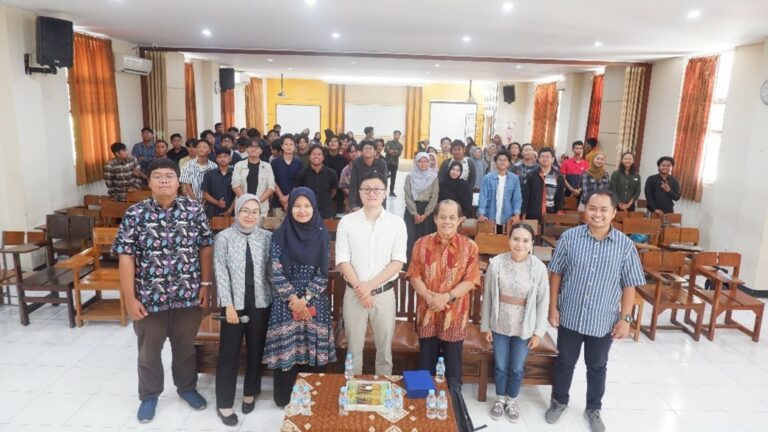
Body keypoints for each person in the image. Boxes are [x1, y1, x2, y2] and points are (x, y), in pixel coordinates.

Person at [113, 158, 214, 423]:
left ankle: (187, 388)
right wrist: (129, 299)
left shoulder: (194, 210)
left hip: (187, 296)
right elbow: (126, 256)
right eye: (157, 176)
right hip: (149, 299)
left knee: (185, 348)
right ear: (149, 182)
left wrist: (205, 284)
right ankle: (149, 396)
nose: (164, 181)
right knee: (148, 352)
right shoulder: (135, 214)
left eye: (169, 176)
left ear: (178, 181)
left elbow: (206, 246)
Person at [545, 191, 646, 432]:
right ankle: (559, 401)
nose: (597, 214)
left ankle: (593, 409)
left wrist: (625, 319)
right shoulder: (569, 238)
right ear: (585, 210)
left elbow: (629, 285)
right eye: (592, 208)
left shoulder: (625, 246)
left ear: (613, 213)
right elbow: (556, 273)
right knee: (564, 362)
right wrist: (552, 307)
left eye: (603, 209)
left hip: (602, 320)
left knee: (597, 366)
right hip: (570, 315)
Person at [263, 187, 337, 406]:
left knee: (311, 347)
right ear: (290, 208)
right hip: (286, 303)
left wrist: (305, 299)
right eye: (297, 206)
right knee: (289, 349)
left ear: (314, 208)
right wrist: (293, 300)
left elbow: (323, 273)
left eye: (307, 206)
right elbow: (276, 271)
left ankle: (313, 397)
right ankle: (285, 398)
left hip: (315, 301)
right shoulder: (280, 235)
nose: (302, 210)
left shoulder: (322, 234)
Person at [336, 173, 407, 375]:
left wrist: (369, 286)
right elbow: (343, 260)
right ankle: (351, 389)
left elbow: (398, 261)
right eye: (366, 189)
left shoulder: (397, 223)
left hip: (383, 295)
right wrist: (361, 289)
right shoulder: (347, 222)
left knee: (384, 351)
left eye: (377, 189)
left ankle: (384, 388)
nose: (372, 193)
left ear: (385, 193)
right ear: (359, 193)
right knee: (353, 351)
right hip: (354, 294)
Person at [408, 199, 481, 390]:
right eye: (442, 217)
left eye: (451, 217)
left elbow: (471, 280)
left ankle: (454, 402)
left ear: (459, 220)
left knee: (453, 371)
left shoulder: (470, 247)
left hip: (455, 316)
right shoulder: (421, 244)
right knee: (426, 368)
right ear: (435, 219)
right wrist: (431, 299)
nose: (447, 221)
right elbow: (414, 276)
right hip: (428, 313)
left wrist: (446, 298)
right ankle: (425, 402)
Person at [213, 194, 272, 426]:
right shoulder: (224, 237)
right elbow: (221, 271)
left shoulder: (267, 237)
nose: (249, 216)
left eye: (254, 212)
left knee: (256, 349)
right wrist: (228, 304)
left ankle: (250, 392)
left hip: (260, 301)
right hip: (233, 303)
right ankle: (224, 403)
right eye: (245, 211)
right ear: (237, 211)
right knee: (229, 352)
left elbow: (271, 272)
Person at [481, 223, 549, 423]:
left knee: (516, 368)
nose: (520, 244)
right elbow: (488, 297)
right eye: (516, 239)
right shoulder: (496, 263)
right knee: (501, 366)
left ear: (532, 243)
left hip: (524, 327)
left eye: (525, 240)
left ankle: (511, 400)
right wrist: (486, 326)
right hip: (499, 324)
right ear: (509, 240)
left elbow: (543, 302)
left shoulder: (538, 268)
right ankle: (499, 399)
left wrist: (538, 332)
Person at [403, 153, 439, 267]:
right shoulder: (410, 177)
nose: (423, 164)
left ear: (429, 163)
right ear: (416, 162)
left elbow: (434, 197)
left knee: (426, 239)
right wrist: (414, 213)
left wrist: (426, 213)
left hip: (427, 211)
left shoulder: (433, 177)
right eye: (420, 161)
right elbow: (408, 195)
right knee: (411, 238)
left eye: (425, 161)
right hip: (412, 210)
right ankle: (409, 265)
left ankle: (425, 265)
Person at [477, 151, 522, 233]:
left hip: (508, 216)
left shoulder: (514, 179)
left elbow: (517, 198)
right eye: (500, 160)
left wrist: (516, 214)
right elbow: (483, 197)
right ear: (496, 162)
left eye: (505, 160)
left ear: (509, 163)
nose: (502, 162)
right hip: (490, 215)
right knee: (490, 238)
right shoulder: (487, 178)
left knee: (505, 238)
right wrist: (481, 214)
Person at [231, 137, 276, 216]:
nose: (253, 149)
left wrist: (257, 201)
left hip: (261, 206)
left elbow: (271, 187)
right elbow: (235, 185)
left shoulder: (267, 166)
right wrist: (246, 201)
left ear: (261, 151)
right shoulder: (239, 165)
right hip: (242, 205)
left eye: (257, 147)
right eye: (250, 147)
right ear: (247, 150)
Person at [521, 147, 565, 222]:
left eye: (547, 157)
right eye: (542, 157)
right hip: (533, 213)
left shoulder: (558, 177)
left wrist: (559, 213)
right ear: (538, 159)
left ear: (553, 159)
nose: (545, 159)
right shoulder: (531, 175)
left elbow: (560, 197)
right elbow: (525, 195)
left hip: (551, 213)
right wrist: (523, 212)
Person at [295, 145, 339, 219]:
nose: (316, 157)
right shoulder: (302, 173)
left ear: (323, 157)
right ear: (309, 157)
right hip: (307, 212)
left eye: (319, 154)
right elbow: (299, 191)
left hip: (326, 211)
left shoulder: (331, 173)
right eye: (313, 154)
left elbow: (333, 191)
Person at [348, 140, 387, 211]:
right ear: (361, 152)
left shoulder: (381, 164)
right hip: (360, 199)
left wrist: (383, 206)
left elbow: (383, 185)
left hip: (375, 198)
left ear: (375, 152)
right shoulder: (357, 163)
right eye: (365, 148)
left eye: (370, 148)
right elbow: (353, 184)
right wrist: (353, 205)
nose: (367, 150)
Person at [270, 135, 304, 219]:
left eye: (291, 144)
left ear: (294, 146)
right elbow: (273, 181)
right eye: (286, 144)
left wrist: (288, 197)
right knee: (278, 225)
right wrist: (282, 198)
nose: (289, 147)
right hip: (278, 201)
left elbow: (299, 183)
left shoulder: (299, 163)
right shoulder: (275, 163)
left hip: (295, 200)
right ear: (282, 146)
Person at [201, 148, 235, 218]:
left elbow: (238, 194)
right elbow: (205, 194)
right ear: (216, 159)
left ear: (230, 159)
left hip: (233, 211)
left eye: (225, 156)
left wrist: (230, 210)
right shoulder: (209, 174)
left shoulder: (236, 174)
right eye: (219, 157)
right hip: (213, 211)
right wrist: (217, 203)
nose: (222, 159)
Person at [323, 135, 347, 214]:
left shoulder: (343, 159)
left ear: (339, 145)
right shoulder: (323, 159)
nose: (333, 143)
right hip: (326, 190)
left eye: (335, 141)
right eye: (331, 141)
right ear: (327, 144)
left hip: (340, 191)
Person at [337, 144, 358, 212]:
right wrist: (353, 195)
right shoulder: (346, 170)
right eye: (351, 152)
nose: (354, 154)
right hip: (351, 201)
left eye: (356, 151)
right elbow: (343, 186)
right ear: (348, 154)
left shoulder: (366, 167)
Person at [384, 130, 404, 197]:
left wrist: (391, 151)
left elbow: (399, 153)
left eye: (398, 135)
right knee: (384, 177)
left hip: (395, 163)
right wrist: (394, 151)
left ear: (399, 136)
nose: (397, 136)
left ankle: (391, 192)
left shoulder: (400, 145)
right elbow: (386, 150)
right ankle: (383, 191)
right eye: (396, 134)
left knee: (393, 178)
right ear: (393, 135)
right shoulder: (388, 142)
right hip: (387, 162)